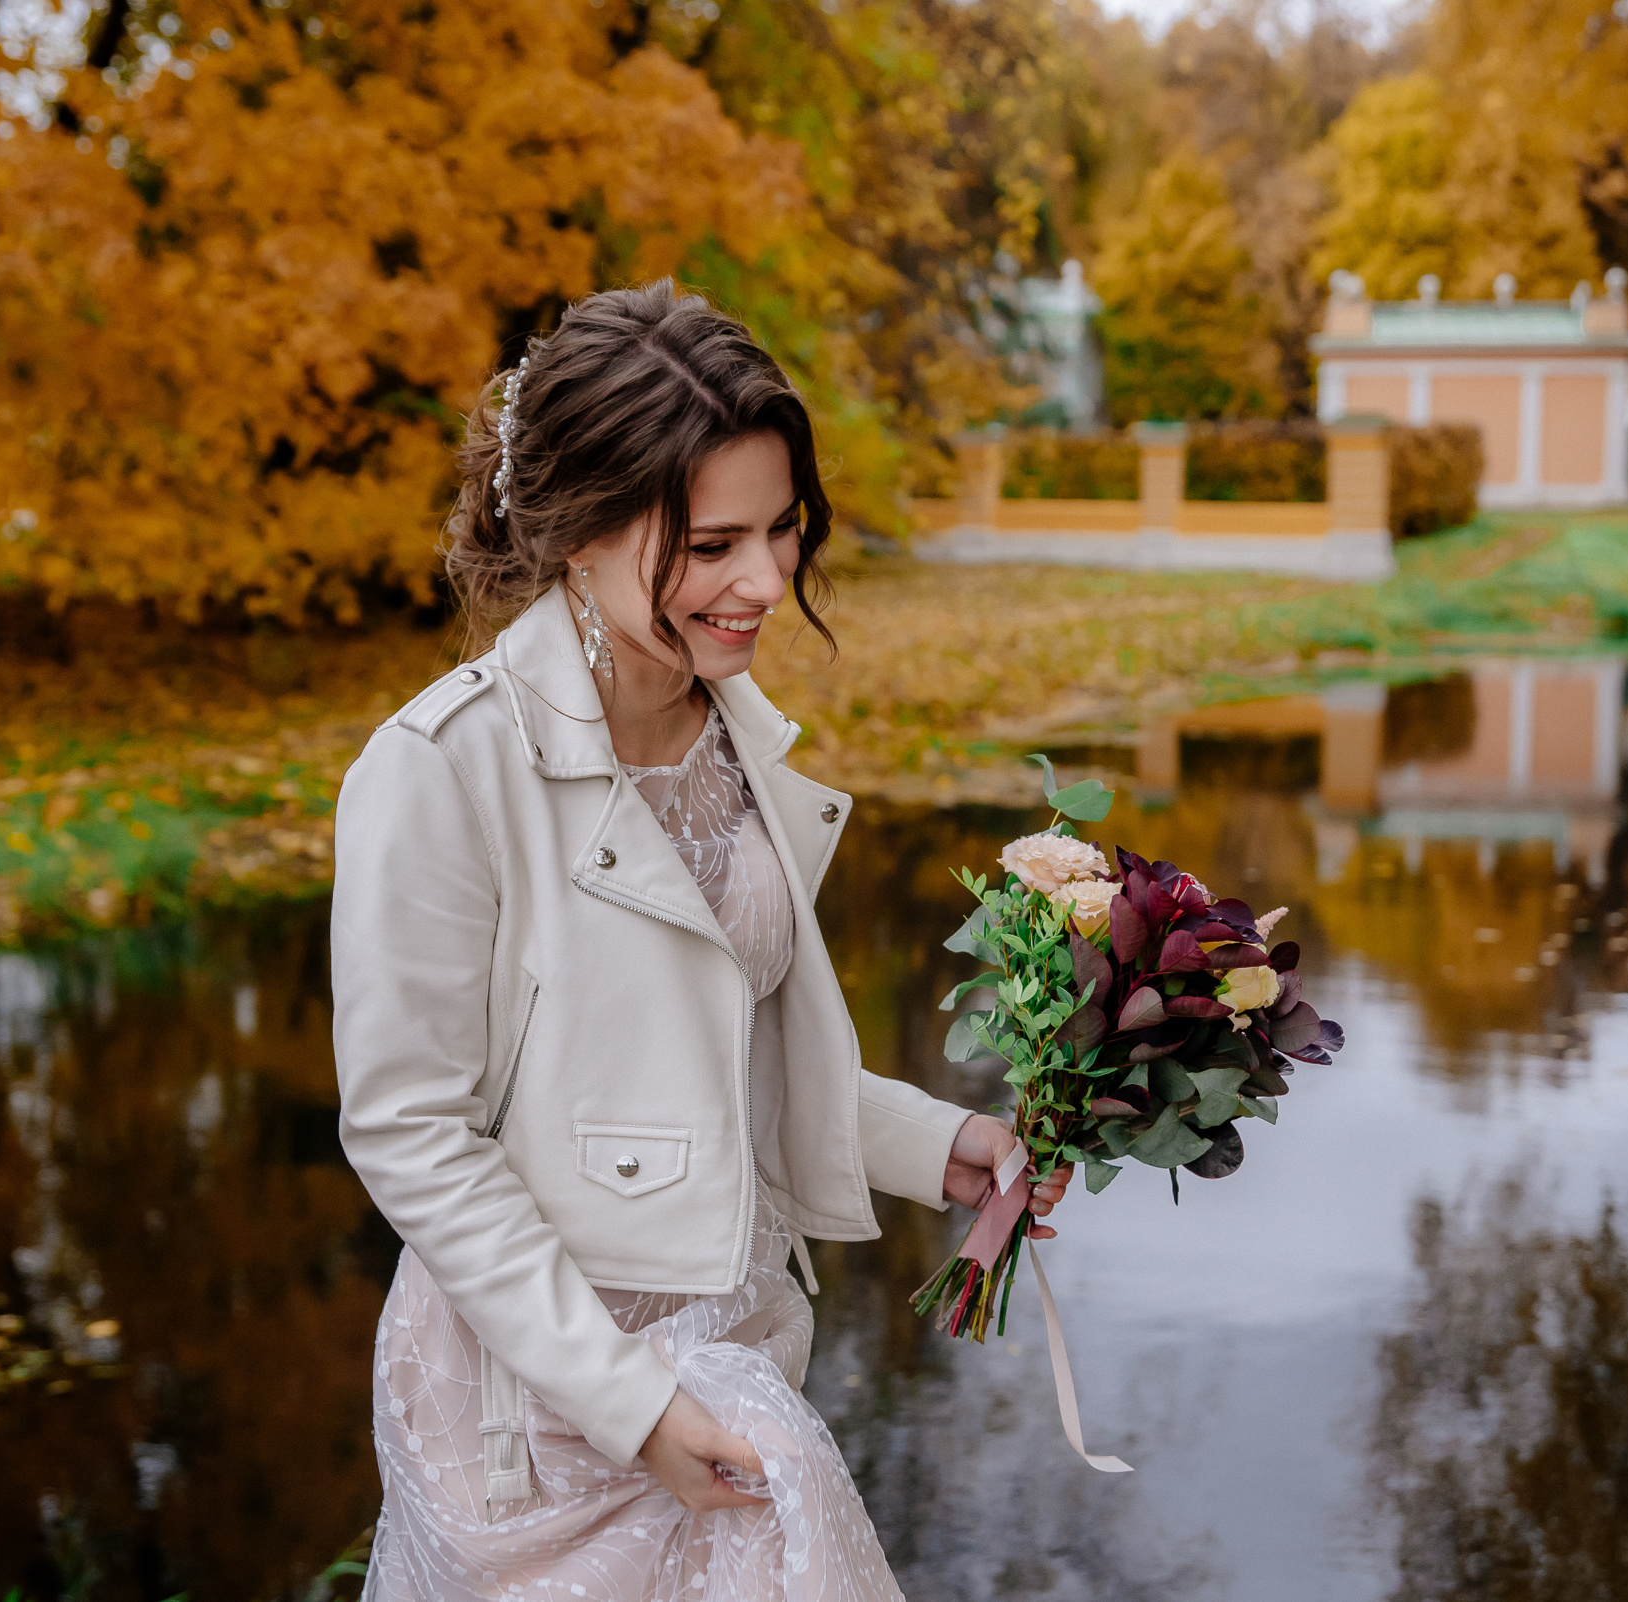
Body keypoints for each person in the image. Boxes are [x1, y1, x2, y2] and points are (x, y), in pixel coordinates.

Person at [330, 281, 1072, 1599]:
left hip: (736, 1344)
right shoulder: (439, 767)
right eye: (714, 542)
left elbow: (707, 1066)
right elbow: (412, 1131)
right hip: (534, 1401)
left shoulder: (742, 739)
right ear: (576, 533)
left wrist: (936, 1144)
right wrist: (626, 1401)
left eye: (782, 531)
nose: (767, 582)